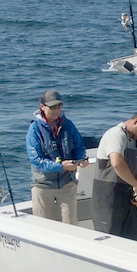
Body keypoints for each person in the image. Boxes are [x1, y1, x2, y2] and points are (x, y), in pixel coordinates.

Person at [92, 108, 137, 241]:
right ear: (136, 121)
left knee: (134, 240)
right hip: (107, 196)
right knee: (110, 240)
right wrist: (136, 186)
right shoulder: (115, 134)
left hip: (126, 198)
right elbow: (117, 163)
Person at [25, 89, 88, 224]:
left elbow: (79, 147)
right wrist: (60, 166)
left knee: (71, 226)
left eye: (59, 106)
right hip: (42, 185)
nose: (56, 110)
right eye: (52, 107)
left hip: (66, 182)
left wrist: (81, 159)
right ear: (42, 107)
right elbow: (36, 160)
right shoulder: (34, 129)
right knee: (43, 227)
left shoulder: (68, 125)